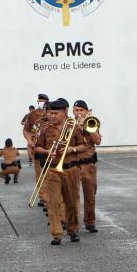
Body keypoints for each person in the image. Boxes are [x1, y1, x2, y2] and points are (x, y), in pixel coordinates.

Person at [33, 98, 88, 245]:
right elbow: (36, 147)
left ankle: (73, 230)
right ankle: (56, 234)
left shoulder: (73, 126)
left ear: (64, 112)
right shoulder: (45, 128)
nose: (52, 116)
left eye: (55, 113)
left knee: (71, 203)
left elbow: (84, 146)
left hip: (71, 169)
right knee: (53, 203)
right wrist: (46, 151)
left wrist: (72, 149)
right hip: (53, 169)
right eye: (50, 113)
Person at [73, 100, 101, 232]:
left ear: (86, 111)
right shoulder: (69, 124)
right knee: (73, 197)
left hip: (88, 164)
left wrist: (87, 127)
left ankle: (90, 221)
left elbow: (98, 141)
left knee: (90, 196)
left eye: (81, 110)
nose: (79, 113)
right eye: (76, 110)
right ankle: (73, 224)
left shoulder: (92, 122)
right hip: (73, 165)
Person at [23, 93, 50, 199]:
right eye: (40, 100)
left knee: (49, 174)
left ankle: (48, 195)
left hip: (48, 147)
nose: (41, 102)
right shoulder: (32, 115)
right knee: (39, 173)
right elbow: (25, 129)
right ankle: (42, 197)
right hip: (36, 147)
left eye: (43, 100)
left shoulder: (52, 113)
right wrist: (29, 141)